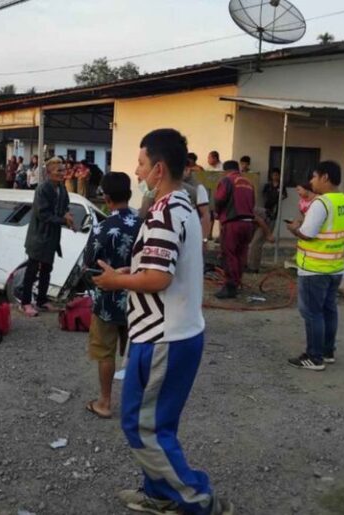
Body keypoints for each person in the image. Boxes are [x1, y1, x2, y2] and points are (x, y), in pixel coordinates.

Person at [93, 128, 232, 515]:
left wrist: (115, 280)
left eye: (140, 165)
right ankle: (159, 494)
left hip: (162, 339)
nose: (136, 173)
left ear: (158, 169)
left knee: (142, 427)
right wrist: (130, 267)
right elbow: (158, 265)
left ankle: (197, 499)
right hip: (174, 334)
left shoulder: (164, 213)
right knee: (157, 425)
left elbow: (159, 279)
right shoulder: (183, 206)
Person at [83, 172, 141, 419]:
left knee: (105, 352)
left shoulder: (102, 227)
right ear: (128, 194)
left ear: (105, 197)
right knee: (138, 351)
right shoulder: (145, 224)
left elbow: (89, 265)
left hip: (107, 301)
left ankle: (105, 402)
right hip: (140, 300)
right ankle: (138, 407)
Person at [286, 161, 344, 370]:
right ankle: (327, 351)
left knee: (312, 312)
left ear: (325, 177)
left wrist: (293, 228)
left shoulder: (321, 203)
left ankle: (314, 357)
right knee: (329, 310)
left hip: (314, 267)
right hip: (335, 266)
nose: (312, 182)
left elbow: (307, 233)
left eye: (314, 177)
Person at [20, 157, 75, 316]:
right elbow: (42, 214)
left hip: (52, 236)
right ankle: (25, 303)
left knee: (47, 269)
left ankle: (42, 301)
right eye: (58, 170)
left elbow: (64, 206)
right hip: (39, 235)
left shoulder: (62, 188)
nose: (62, 173)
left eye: (63, 170)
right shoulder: (42, 189)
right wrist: (63, 220)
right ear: (49, 172)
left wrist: (69, 216)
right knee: (32, 269)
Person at [214, 160, 255, 298]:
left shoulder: (227, 180)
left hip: (233, 223)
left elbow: (219, 199)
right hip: (248, 223)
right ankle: (237, 283)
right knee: (241, 254)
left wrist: (218, 214)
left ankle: (230, 286)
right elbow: (253, 203)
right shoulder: (249, 183)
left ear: (225, 171)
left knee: (229, 254)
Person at [247, 167, 287, 272]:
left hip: (267, 219)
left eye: (277, 175)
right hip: (265, 213)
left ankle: (253, 267)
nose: (275, 177)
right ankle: (251, 265)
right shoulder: (268, 186)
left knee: (256, 243)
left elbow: (260, 221)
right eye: (273, 175)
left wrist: (269, 234)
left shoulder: (245, 210)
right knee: (253, 243)